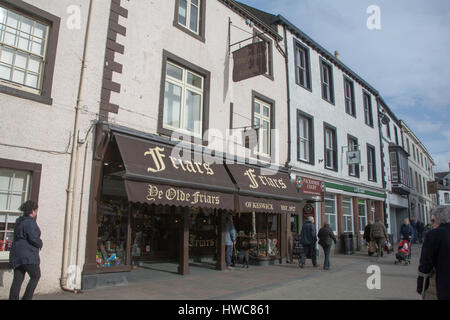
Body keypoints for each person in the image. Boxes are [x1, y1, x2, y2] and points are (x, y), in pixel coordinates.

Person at [8, 200, 43, 300]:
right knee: (36, 276)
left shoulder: (19, 221)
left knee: (18, 279)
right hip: (28, 255)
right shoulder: (29, 222)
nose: (36, 212)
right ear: (32, 211)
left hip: (17, 254)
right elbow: (33, 238)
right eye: (36, 210)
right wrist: (40, 243)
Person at [417, 206, 450, 300]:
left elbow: (426, 263)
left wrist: (421, 285)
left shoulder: (434, 234)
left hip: (444, 283)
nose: (432, 224)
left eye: (432, 221)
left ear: (438, 219)